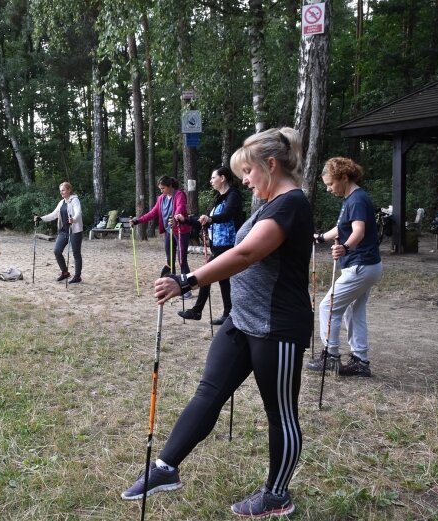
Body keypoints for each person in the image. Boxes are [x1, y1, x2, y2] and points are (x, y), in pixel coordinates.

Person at [121, 127, 313, 519]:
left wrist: (186, 280)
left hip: (277, 328)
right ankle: (165, 467)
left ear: (271, 165)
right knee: (209, 391)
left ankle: (277, 495)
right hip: (242, 320)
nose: (245, 180)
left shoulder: (291, 203)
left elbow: (245, 254)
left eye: (249, 172)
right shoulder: (268, 201)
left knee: (280, 413)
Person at [307, 157, 383, 377]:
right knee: (353, 311)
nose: (329, 189)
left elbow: (358, 231)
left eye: (331, 184)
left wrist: (346, 249)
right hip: (366, 265)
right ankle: (361, 361)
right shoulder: (351, 199)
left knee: (327, 307)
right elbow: (341, 229)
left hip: (360, 264)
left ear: (344, 177)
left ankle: (331, 356)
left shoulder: (357, 199)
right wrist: (320, 238)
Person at [176, 166, 244, 324]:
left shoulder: (233, 195)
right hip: (218, 246)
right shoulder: (218, 199)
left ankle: (197, 311)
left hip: (229, 246)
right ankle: (228, 314)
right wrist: (185, 219)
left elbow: (228, 215)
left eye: (214, 178)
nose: (211, 181)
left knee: (206, 274)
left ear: (223, 178)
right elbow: (203, 220)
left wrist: (211, 219)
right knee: (223, 280)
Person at [131, 175, 192, 297]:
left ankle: (187, 289)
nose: (161, 191)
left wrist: (176, 218)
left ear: (170, 186)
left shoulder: (179, 195)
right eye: (160, 189)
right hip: (169, 232)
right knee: (170, 260)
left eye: (163, 188)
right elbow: (153, 213)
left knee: (182, 260)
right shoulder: (161, 199)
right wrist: (138, 221)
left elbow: (180, 208)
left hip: (181, 231)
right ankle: (173, 285)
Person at [34, 182, 83, 284]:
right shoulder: (61, 203)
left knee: (76, 253)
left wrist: (73, 219)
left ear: (69, 190)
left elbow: (78, 212)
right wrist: (41, 218)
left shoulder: (75, 200)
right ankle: (65, 272)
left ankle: (77, 276)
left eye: (63, 190)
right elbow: (54, 215)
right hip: (63, 231)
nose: (61, 192)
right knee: (57, 251)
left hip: (74, 231)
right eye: (60, 191)